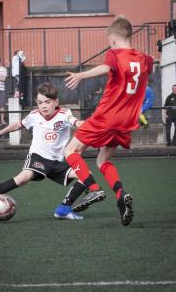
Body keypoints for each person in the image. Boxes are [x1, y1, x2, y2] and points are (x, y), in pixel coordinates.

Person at [64, 16, 153, 226]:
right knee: (102, 161)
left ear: (112, 40)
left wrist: (81, 75)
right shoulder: (147, 59)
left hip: (106, 117)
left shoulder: (114, 55)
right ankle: (121, 195)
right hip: (126, 122)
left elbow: (106, 68)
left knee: (70, 151)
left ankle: (94, 190)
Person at [0, 82, 87, 220]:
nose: (43, 106)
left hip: (57, 161)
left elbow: (74, 121)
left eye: (47, 102)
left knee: (86, 176)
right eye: (39, 102)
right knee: (22, 179)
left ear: (56, 101)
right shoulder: (34, 115)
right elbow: (18, 125)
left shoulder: (65, 114)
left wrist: (83, 124)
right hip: (38, 156)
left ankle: (63, 208)